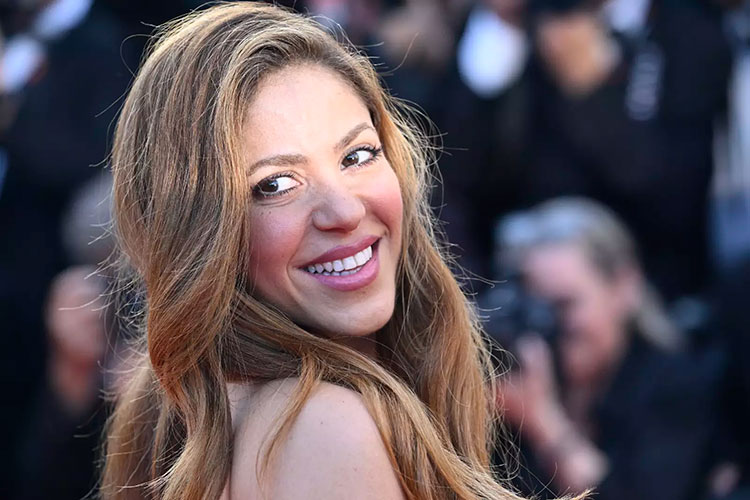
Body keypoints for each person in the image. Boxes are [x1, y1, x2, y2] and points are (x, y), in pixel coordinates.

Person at [100, 3, 532, 499]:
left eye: (357, 155)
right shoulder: (320, 429)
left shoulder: (224, 417)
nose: (344, 210)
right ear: (201, 233)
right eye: (276, 184)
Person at [495, 198, 720, 500]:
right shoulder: (515, 386)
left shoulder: (678, 383)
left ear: (624, 287)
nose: (549, 325)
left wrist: (544, 423)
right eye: (536, 308)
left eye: (565, 305)